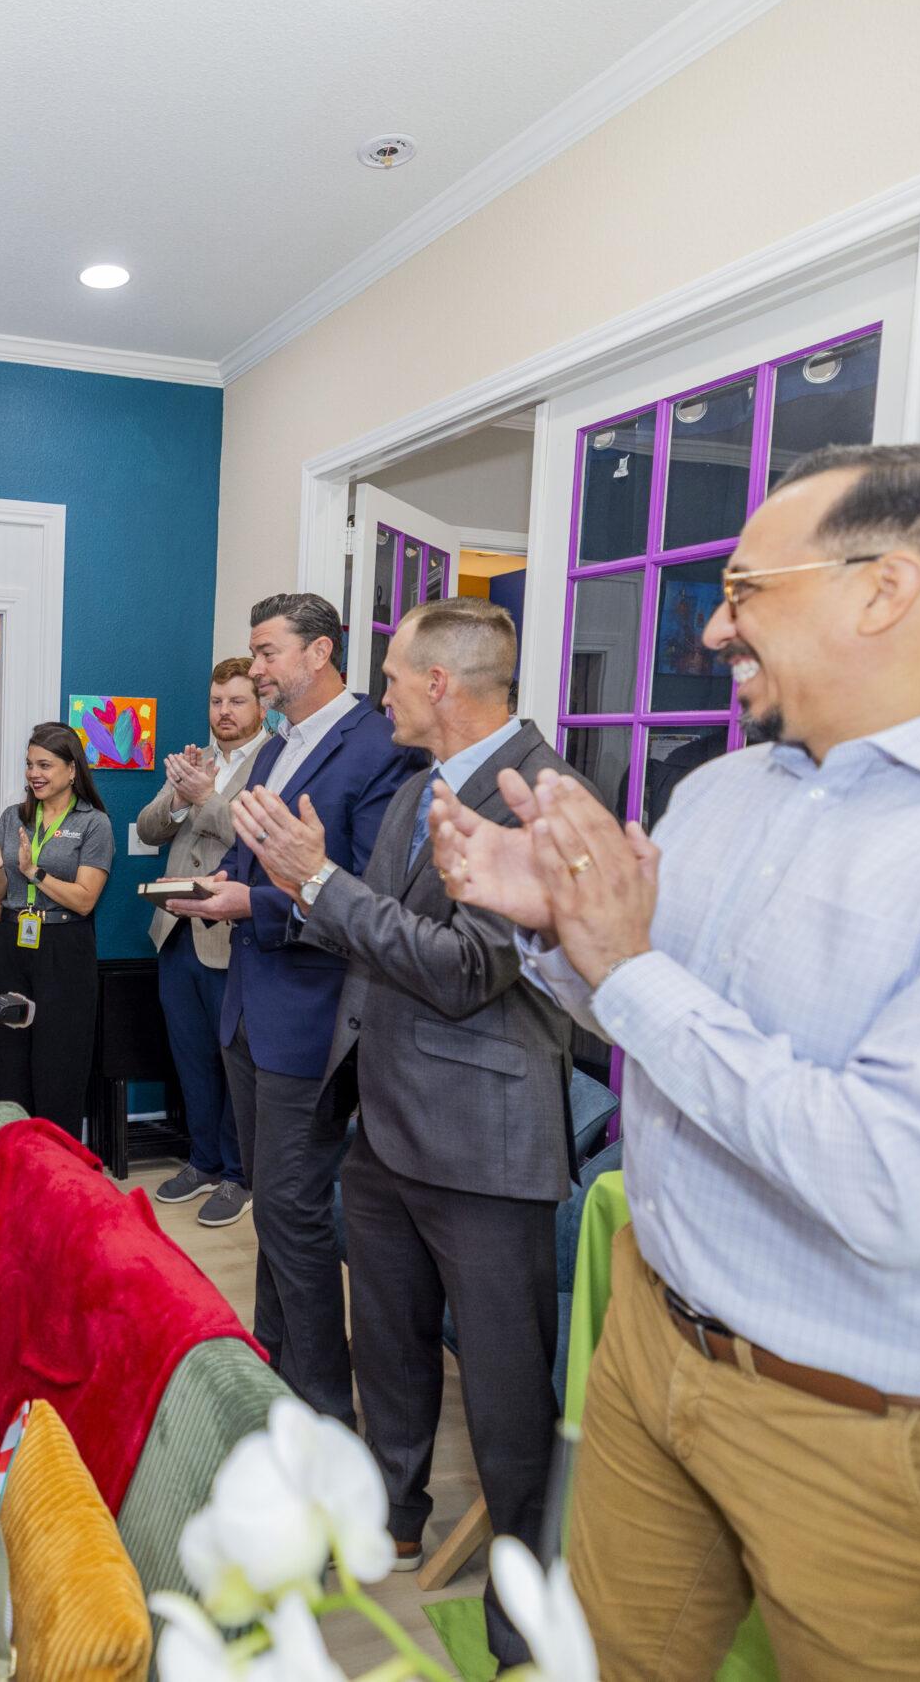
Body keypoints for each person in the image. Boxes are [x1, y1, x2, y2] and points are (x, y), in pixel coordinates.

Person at [433, 444, 920, 1680]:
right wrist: (560, 935)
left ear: (884, 588)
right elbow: (662, 1032)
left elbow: (890, 1179)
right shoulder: (724, 795)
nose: (714, 628)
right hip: (655, 1348)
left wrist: (625, 962)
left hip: (885, 1437)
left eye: (745, 589)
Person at [234, 596, 582, 1666]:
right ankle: (390, 1514)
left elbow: (467, 970)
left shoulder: (539, 795)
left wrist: (316, 880)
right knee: (388, 1344)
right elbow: (367, 936)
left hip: (480, 1138)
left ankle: (522, 1618)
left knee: (506, 1394)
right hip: (384, 1116)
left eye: (390, 675)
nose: (378, 692)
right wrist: (304, 889)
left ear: (440, 683)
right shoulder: (418, 786)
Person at [165, 591, 423, 1423]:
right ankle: (272, 1369)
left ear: (319, 653)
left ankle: (320, 1413)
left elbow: (373, 897)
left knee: (293, 1211)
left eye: (268, 652)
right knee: (273, 1213)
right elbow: (259, 863)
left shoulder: (377, 747)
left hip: (314, 1016)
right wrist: (222, 887)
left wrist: (256, 904)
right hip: (249, 1007)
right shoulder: (275, 749)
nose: (258, 669)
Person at [138, 656, 268, 1228]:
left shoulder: (275, 762)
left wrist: (208, 797)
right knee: (190, 1058)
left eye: (237, 701)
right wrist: (180, 794)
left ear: (261, 706)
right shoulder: (197, 760)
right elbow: (149, 829)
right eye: (217, 702)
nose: (224, 712)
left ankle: (239, 1175)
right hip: (175, 934)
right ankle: (204, 1161)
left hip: (232, 938)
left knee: (234, 1063)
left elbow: (260, 839)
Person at [0, 721, 112, 1140]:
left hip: (64, 947)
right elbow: (0, 891)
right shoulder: (12, 817)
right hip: (13, 943)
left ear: (71, 770)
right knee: (8, 1056)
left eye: (45, 765)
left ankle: (54, 1157)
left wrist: (34, 871)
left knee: (59, 1060)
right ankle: (9, 1150)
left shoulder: (94, 824)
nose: (34, 773)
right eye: (30, 764)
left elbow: (85, 900)